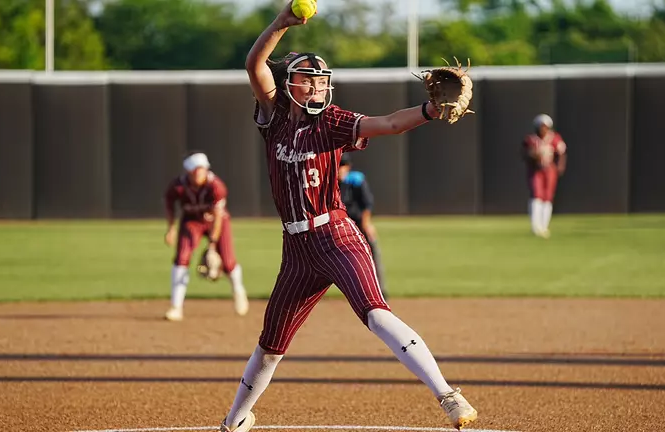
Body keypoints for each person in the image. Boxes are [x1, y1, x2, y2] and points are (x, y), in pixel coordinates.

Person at [218, 2, 478, 431]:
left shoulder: (334, 122)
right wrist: (282, 22)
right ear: (289, 86)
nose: (316, 88)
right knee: (271, 345)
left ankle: (449, 397)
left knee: (374, 313)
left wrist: (429, 111)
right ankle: (235, 421)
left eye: (321, 81)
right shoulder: (275, 117)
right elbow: (254, 63)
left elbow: (390, 123)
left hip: (336, 233)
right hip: (296, 248)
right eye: (307, 80)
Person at [163, 151, 249, 321]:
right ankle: (176, 306)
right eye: (195, 170)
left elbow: (218, 217)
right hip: (192, 222)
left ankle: (238, 291)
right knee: (181, 258)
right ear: (188, 172)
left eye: (201, 170)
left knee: (228, 261)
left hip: (216, 222)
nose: (198, 173)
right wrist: (171, 228)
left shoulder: (216, 186)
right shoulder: (178, 186)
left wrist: (212, 245)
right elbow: (169, 204)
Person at [338, 154, 388, 300]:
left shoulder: (356, 180)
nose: (341, 169)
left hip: (359, 223)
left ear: (348, 167)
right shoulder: (329, 181)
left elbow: (367, 204)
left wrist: (367, 224)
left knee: (373, 254)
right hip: (340, 226)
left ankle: (380, 292)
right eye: (339, 165)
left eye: (343, 165)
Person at [522, 114, 568, 238]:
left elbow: (561, 152)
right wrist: (533, 156)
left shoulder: (554, 138)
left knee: (548, 196)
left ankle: (544, 226)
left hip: (549, 169)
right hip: (536, 170)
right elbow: (525, 153)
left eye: (545, 127)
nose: (543, 129)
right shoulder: (531, 139)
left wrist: (560, 166)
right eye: (541, 126)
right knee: (537, 194)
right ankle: (535, 226)